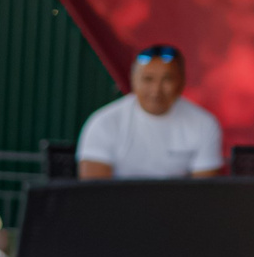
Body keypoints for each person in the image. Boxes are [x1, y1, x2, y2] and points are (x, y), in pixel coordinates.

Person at [76, 44, 223, 179]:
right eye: (148, 79)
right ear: (133, 80)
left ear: (182, 81)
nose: (156, 90)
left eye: (167, 79)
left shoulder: (204, 124)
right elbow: (94, 194)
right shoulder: (103, 123)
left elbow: (202, 193)